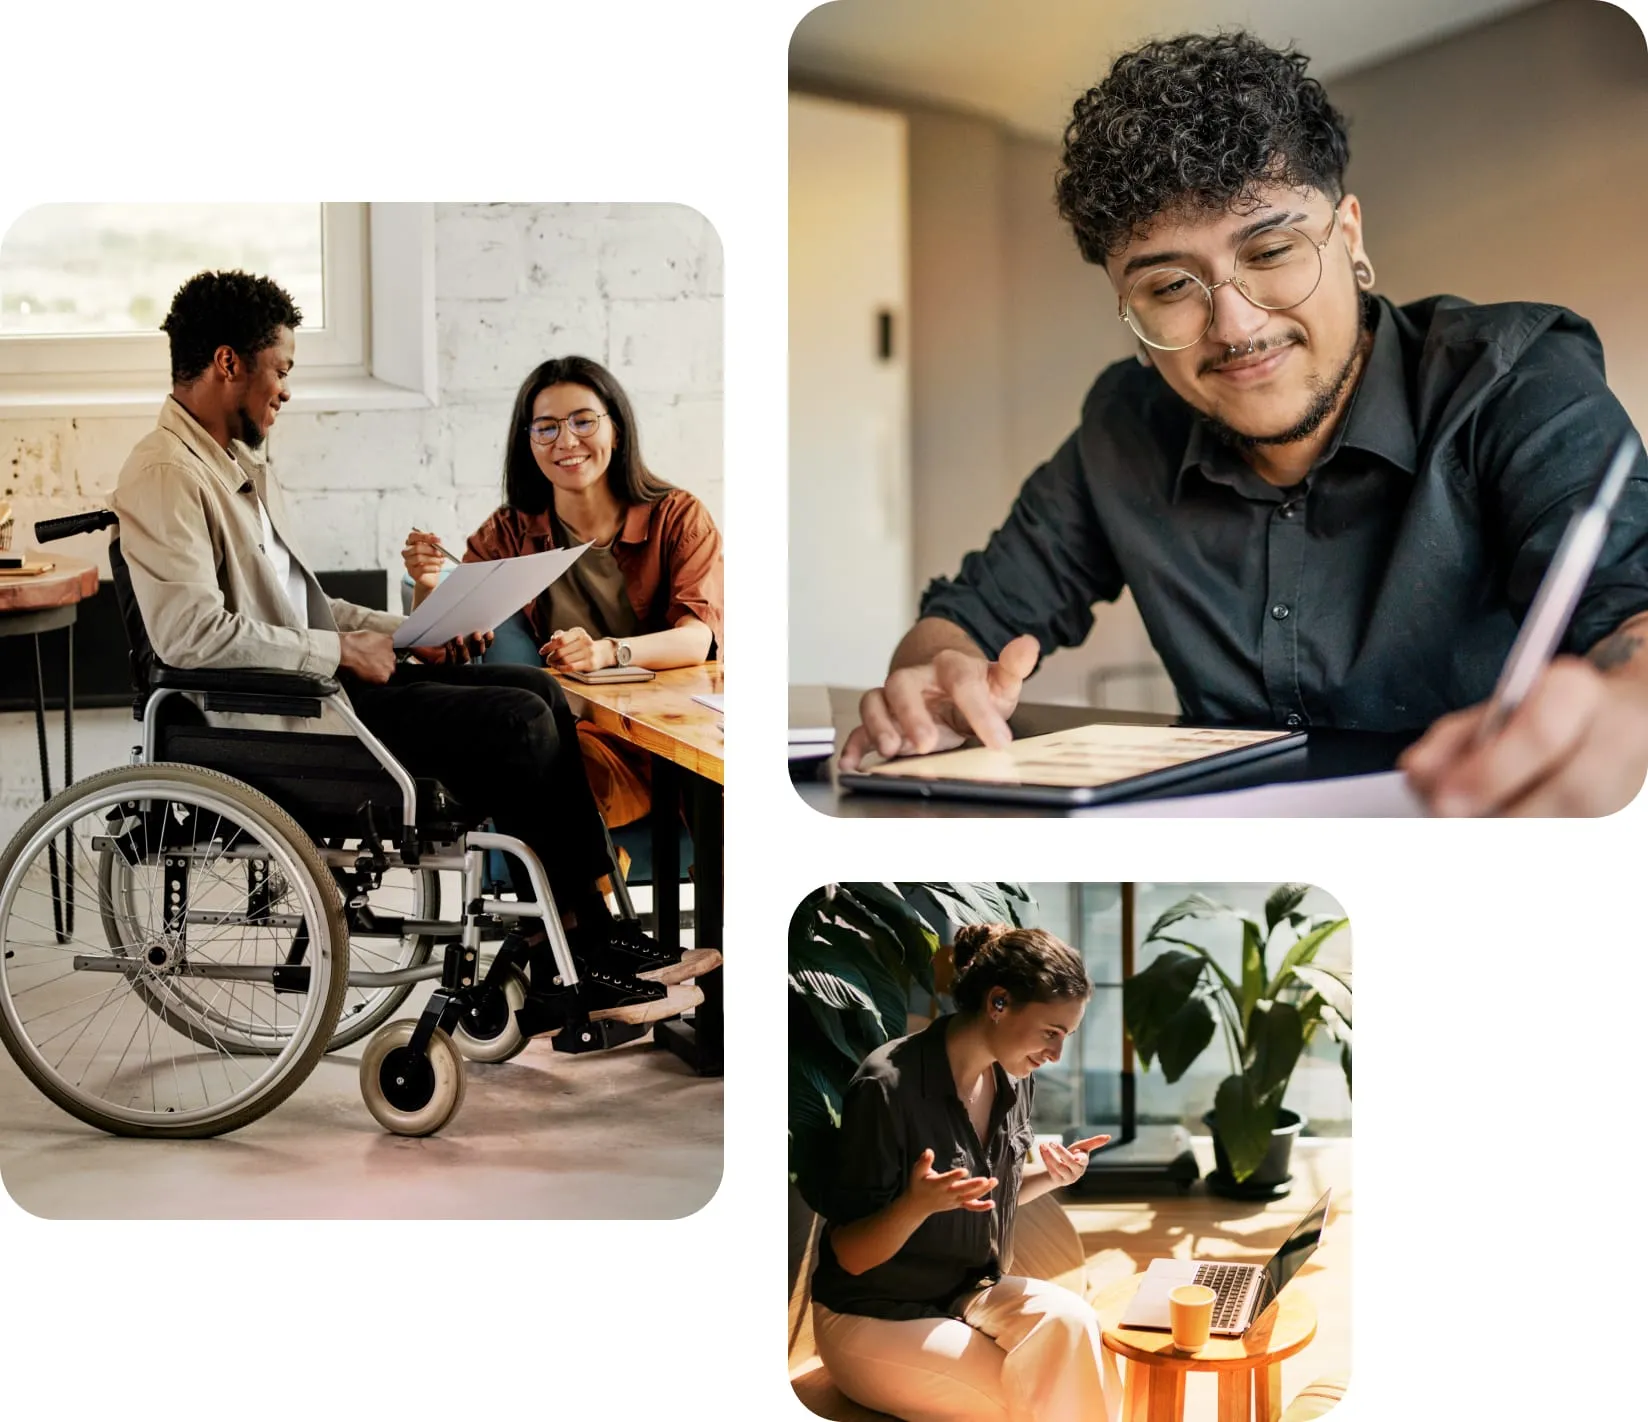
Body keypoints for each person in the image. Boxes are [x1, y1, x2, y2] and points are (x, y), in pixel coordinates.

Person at [838, 31, 1648, 817]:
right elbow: (968, 618)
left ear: (1351, 237)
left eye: (1270, 253)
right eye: (1169, 287)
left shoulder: (1516, 380)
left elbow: (1633, 611)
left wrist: (1624, 708)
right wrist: (931, 686)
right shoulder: (1124, 425)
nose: (1233, 324)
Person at [110, 269, 703, 1033]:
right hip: (275, 715)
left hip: (311, 689)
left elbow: (301, 609)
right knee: (519, 722)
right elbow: (190, 636)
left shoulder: (229, 468)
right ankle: (575, 944)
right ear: (230, 364)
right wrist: (340, 653)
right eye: (281, 369)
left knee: (536, 691)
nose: (285, 391)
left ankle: (584, 930)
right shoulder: (165, 473)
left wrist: (405, 630)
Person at [401, 354, 723, 828]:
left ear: (617, 428)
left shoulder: (678, 516)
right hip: (586, 737)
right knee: (537, 772)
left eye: (583, 421)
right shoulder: (508, 533)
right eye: (546, 427)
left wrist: (605, 653)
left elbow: (698, 638)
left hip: (682, 730)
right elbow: (438, 651)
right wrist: (428, 587)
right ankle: (578, 903)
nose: (566, 441)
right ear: (528, 442)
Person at [810, 924, 1115, 1422]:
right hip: (871, 1314)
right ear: (998, 1003)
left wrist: (1053, 1177)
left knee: (1076, 1325)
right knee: (1030, 1395)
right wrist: (915, 1205)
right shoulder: (888, 1088)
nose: (1057, 1054)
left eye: (1067, 1036)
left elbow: (982, 1198)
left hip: (966, 1293)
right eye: (1050, 1032)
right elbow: (853, 1258)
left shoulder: (1013, 1076)